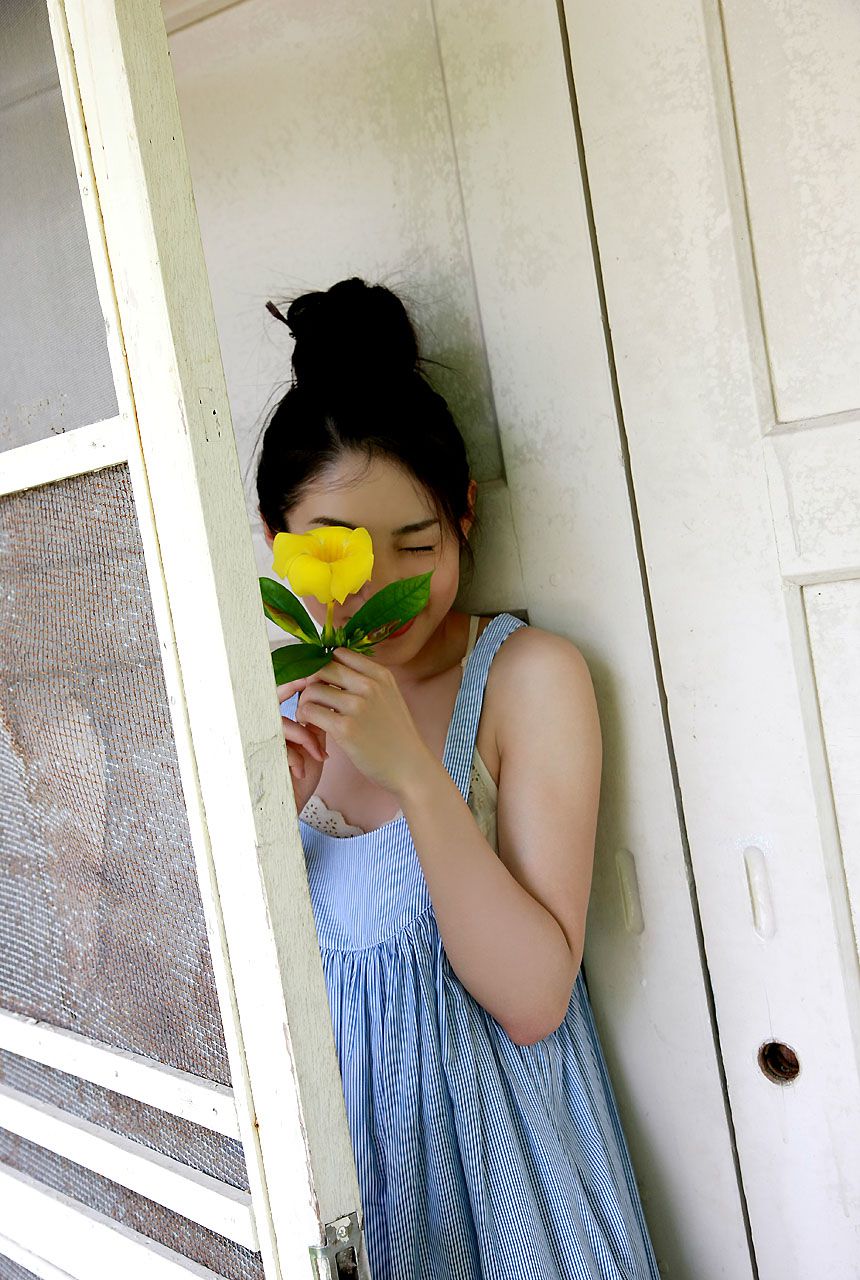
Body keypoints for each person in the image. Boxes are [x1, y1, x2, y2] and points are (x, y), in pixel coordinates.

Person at [254, 277, 661, 1279]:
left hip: (507, 1201)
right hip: (351, 1212)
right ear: (275, 547)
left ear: (466, 516)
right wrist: (261, 822)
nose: (382, 587)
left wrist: (416, 778)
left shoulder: (527, 680)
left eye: (417, 544)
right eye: (338, 552)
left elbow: (530, 998)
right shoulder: (272, 721)